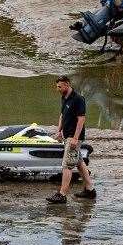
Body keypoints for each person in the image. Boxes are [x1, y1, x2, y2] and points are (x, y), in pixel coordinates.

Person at [46, 75, 95, 203]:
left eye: (60, 86)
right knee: (79, 163)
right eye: (57, 86)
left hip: (74, 138)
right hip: (67, 135)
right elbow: (62, 115)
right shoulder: (64, 97)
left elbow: (81, 119)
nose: (58, 89)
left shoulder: (78, 99)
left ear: (67, 84)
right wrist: (59, 131)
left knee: (67, 165)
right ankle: (90, 190)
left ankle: (62, 195)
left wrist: (75, 138)